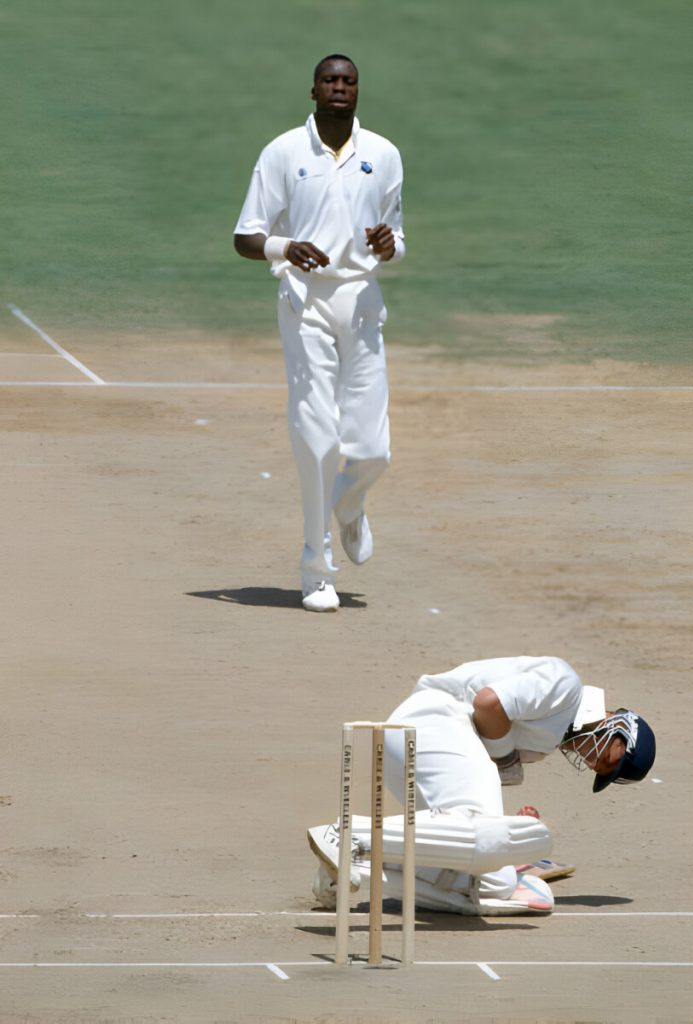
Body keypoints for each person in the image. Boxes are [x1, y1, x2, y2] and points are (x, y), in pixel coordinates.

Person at [234, 55, 405, 612]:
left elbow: (396, 237)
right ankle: (316, 567)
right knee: (316, 437)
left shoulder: (383, 154)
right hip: (303, 299)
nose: (339, 88)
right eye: (330, 80)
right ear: (313, 89)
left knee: (373, 449)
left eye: (349, 81)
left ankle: (349, 504)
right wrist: (287, 248)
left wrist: (390, 246)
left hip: (360, 300)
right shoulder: (283, 151)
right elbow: (246, 236)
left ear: (358, 91)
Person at [307, 655, 656, 915]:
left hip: (419, 748)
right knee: (494, 867)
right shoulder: (567, 686)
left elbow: (469, 770)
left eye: (600, 769)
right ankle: (352, 836)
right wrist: (506, 761)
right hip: (434, 720)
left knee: (490, 883)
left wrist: (507, 844)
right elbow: (488, 705)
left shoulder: (548, 743)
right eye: (608, 759)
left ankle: (357, 870)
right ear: (622, 729)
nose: (594, 763)